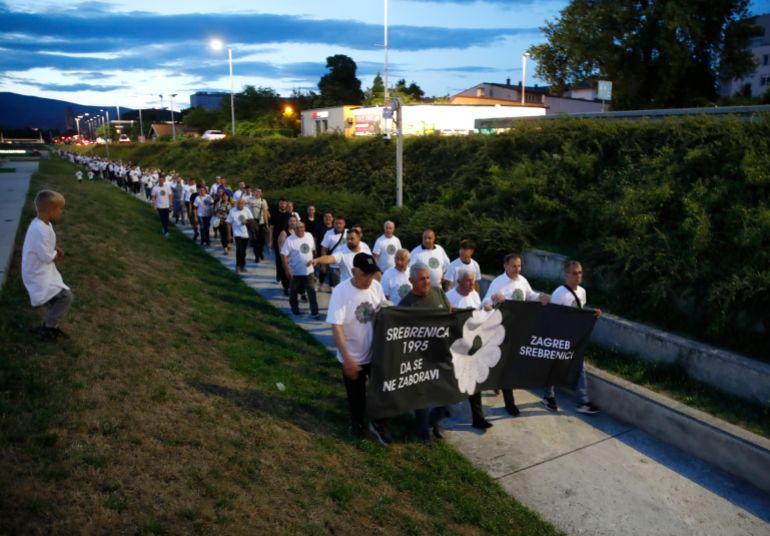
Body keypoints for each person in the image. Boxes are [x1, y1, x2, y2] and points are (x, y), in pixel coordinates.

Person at [326, 253, 392, 445]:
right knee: (356, 396)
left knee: (380, 391)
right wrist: (347, 358)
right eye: (365, 275)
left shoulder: (376, 287)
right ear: (354, 271)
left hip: (373, 354)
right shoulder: (341, 292)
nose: (369, 279)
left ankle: (379, 424)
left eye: (372, 274)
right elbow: (336, 326)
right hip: (352, 355)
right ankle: (357, 423)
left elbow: (382, 312)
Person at [482, 253, 550, 416]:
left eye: (519, 266)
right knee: (507, 365)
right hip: (501, 330)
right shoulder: (498, 283)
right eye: (514, 266)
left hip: (518, 328)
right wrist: (491, 301)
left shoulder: (522, 281)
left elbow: (530, 296)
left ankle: (496, 380)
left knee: (507, 364)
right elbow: (485, 302)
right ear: (505, 266)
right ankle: (509, 403)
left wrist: (540, 297)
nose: (517, 269)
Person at [399, 263, 451, 444]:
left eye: (428, 277)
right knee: (422, 399)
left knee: (445, 395)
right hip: (419, 359)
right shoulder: (406, 304)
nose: (426, 282)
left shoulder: (438, 292)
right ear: (411, 280)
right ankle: (423, 432)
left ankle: (434, 421)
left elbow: (450, 313)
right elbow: (399, 334)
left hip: (441, 355)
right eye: (422, 279)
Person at [546, 260, 602, 414]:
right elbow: (552, 316)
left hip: (575, 337)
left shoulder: (582, 292)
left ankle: (583, 401)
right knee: (554, 364)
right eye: (574, 273)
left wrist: (592, 314)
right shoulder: (559, 293)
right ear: (566, 275)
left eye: (580, 272)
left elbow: (580, 311)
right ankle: (549, 395)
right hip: (560, 336)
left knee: (580, 366)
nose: (578, 276)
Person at [22, 190, 73, 340]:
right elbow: (45, 256)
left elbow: (45, 246)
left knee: (57, 297)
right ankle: (49, 327)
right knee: (65, 297)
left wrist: (54, 249)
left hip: (44, 270)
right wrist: (55, 255)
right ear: (51, 209)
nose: (61, 212)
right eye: (60, 209)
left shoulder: (44, 224)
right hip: (37, 273)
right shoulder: (39, 229)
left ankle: (51, 325)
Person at [446, 269, 492, 430]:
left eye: (473, 280)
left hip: (471, 348)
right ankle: (439, 412)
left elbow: (478, 319)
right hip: (454, 348)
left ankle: (478, 418)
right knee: (450, 382)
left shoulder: (474, 295)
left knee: (473, 383)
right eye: (468, 281)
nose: (473, 284)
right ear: (459, 282)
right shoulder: (449, 297)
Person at [281, 221, 320, 319]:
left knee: (311, 290)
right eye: (297, 228)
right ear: (294, 229)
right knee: (293, 291)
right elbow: (284, 255)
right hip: (295, 272)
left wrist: (315, 260)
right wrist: (287, 270)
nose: (300, 229)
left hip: (309, 270)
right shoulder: (290, 240)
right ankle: (295, 308)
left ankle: (314, 311)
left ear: (304, 227)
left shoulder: (309, 236)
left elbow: (313, 250)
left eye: (302, 227)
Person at [320, 216, 348, 288]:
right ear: (334, 224)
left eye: (340, 223)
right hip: (334, 265)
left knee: (347, 285)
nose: (338, 225)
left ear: (344, 224)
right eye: (336, 223)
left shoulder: (348, 232)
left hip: (347, 264)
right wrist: (323, 264)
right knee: (338, 286)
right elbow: (324, 249)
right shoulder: (329, 233)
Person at [226, 197, 253, 273]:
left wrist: (246, 222)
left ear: (244, 204)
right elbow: (228, 223)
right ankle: (238, 266)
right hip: (237, 233)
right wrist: (229, 235)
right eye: (239, 203)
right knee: (239, 250)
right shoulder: (233, 211)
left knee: (243, 251)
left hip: (246, 234)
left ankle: (242, 266)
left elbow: (251, 220)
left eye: (242, 203)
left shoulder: (247, 210)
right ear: (236, 204)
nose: (240, 205)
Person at [245, 187, 269, 262]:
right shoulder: (250, 199)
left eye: (259, 192)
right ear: (254, 192)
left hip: (261, 222)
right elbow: (241, 203)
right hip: (253, 221)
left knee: (262, 240)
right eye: (256, 191)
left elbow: (265, 212)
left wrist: (266, 223)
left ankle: (260, 252)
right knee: (255, 239)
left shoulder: (263, 201)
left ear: (261, 193)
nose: (257, 193)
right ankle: (256, 256)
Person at [215, 191, 234, 255]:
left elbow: (233, 213)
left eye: (226, 196)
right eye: (224, 196)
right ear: (222, 197)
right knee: (223, 235)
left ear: (228, 197)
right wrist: (218, 215)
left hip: (229, 222)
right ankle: (225, 248)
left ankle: (228, 244)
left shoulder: (230, 204)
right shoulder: (219, 203)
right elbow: (215, 211)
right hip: (221, 222)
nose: (225, 197)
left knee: (229, 234)